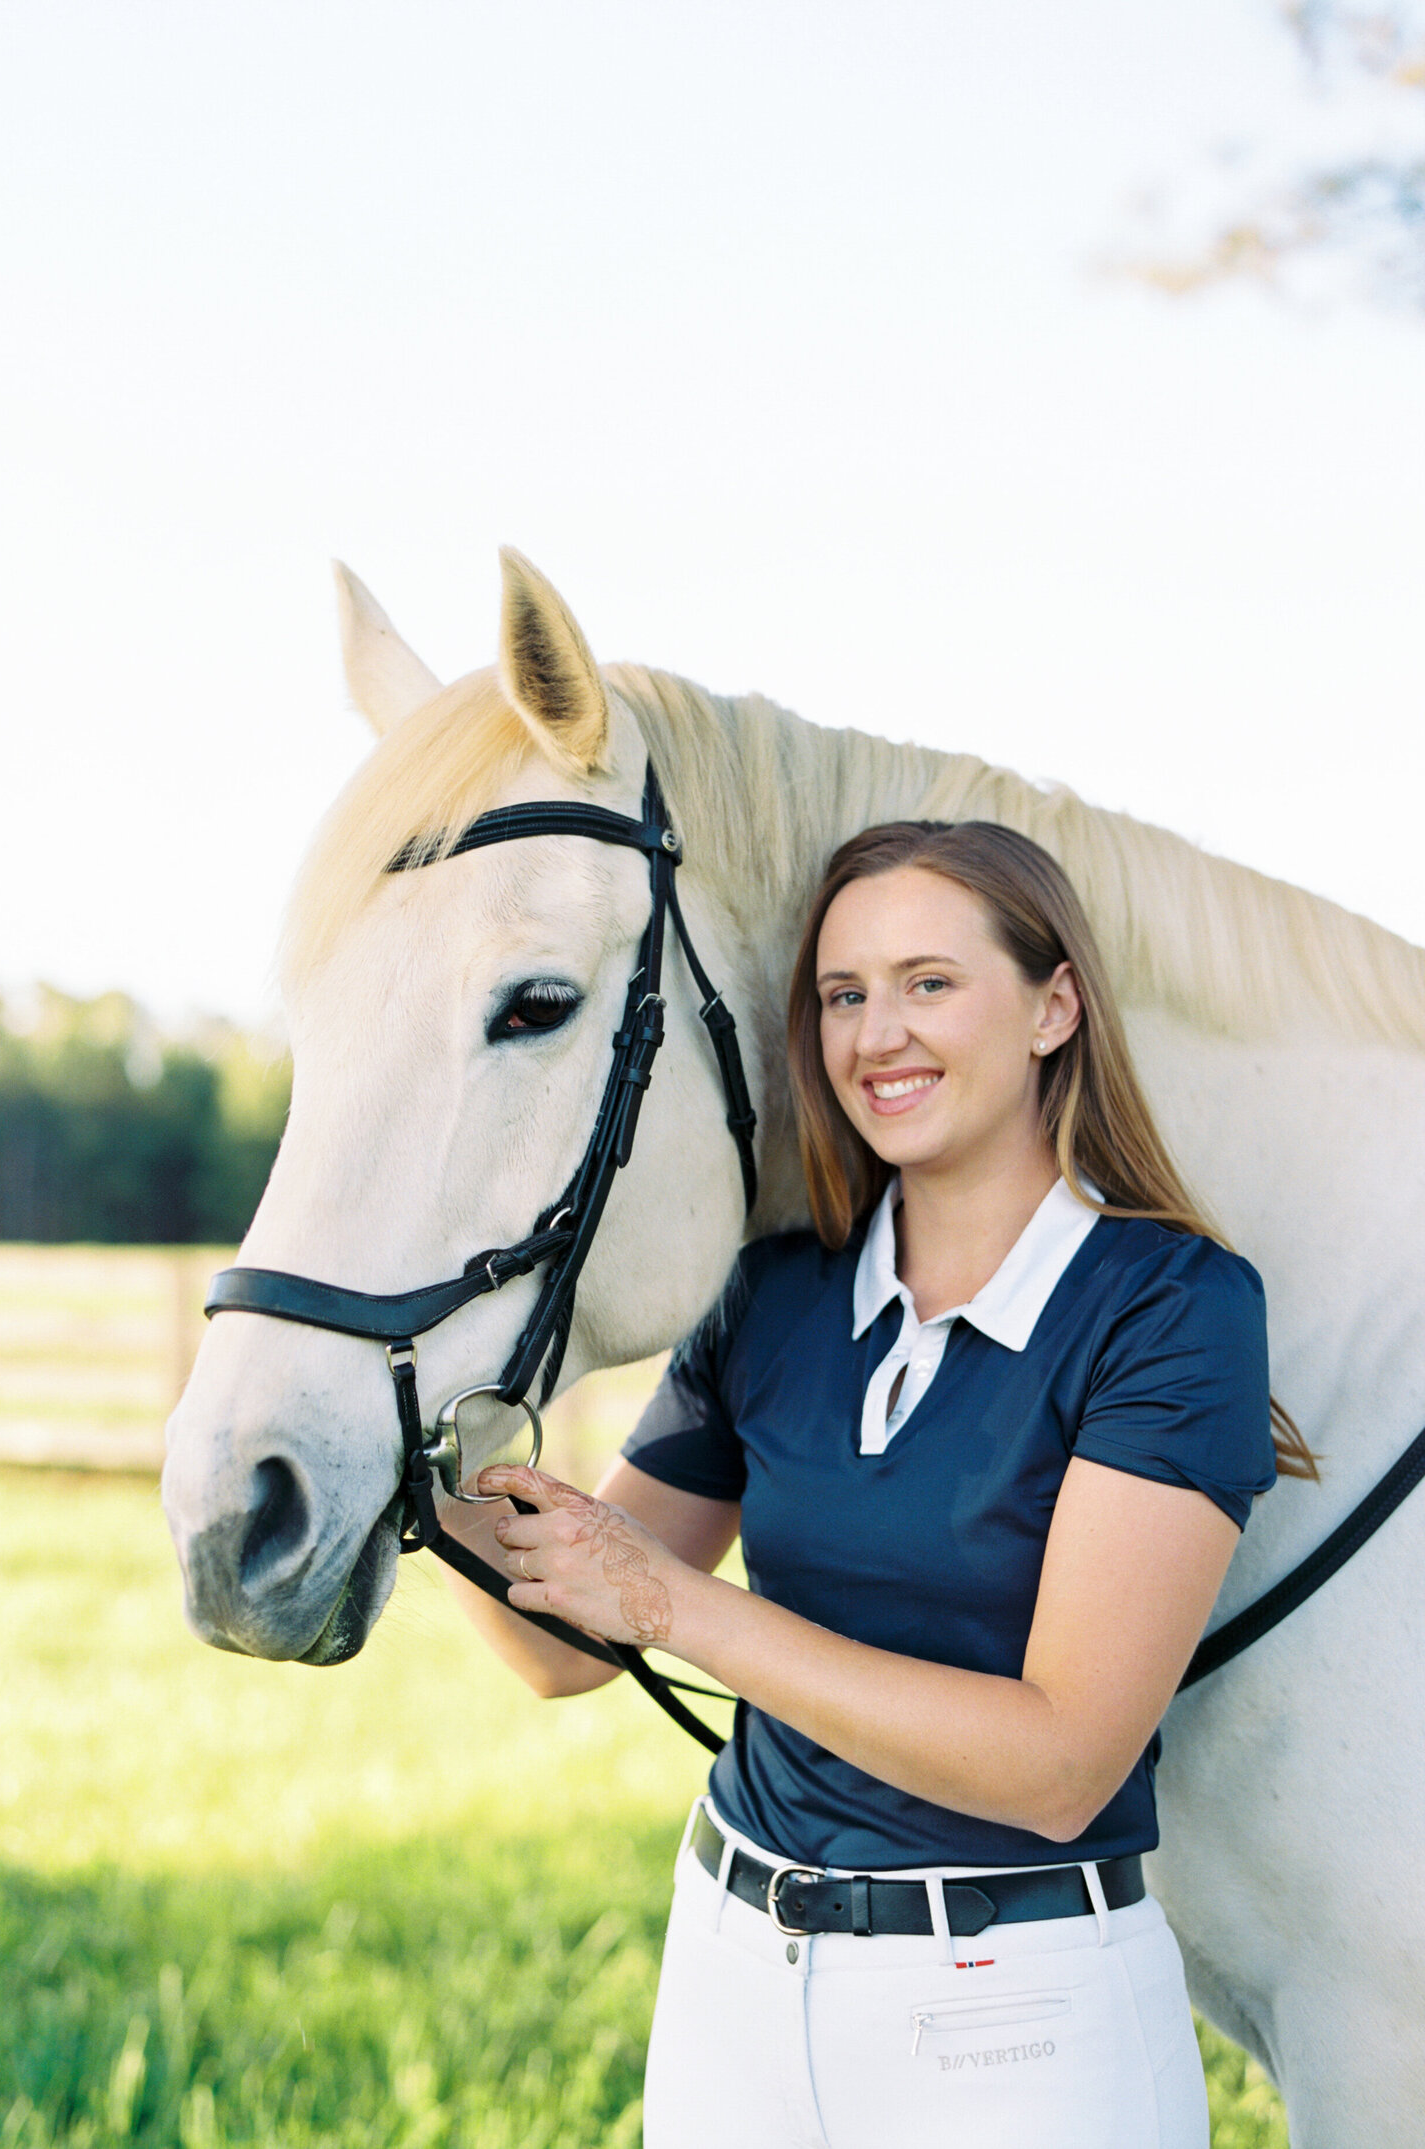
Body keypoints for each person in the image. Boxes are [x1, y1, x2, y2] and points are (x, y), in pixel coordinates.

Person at [451, 819, 1292, 2149]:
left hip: (1012, 2023)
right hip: (731, 1969)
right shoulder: (774, 1293)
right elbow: (565, 1649)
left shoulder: (1172, 1307)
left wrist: (679, 1606)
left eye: (928, 981)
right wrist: (418, 1454)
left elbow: (1063, 1759)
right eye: (842, 994)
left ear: (1053, 1005)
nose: (875, 1032)